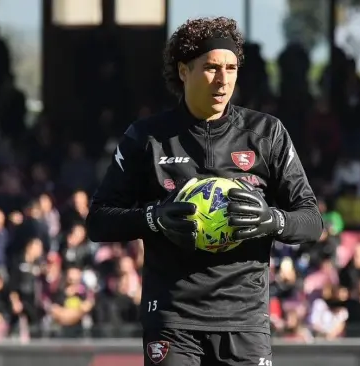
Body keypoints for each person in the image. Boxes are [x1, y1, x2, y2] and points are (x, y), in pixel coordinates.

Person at [86, 16, 323, 366]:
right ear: (184, 71)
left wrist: (271, 220)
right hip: (173, 319)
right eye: (212, 68)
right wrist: (153, 218)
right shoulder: (146, 138)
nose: (223, 80)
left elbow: (312, 221)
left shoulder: (266, 133)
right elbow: (98, 221)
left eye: (231, 68)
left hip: (244, 320)